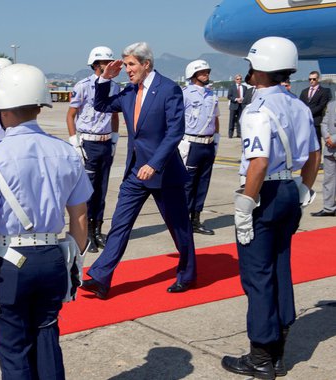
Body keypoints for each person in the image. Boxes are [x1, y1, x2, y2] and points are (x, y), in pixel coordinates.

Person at [0, 63, 92, 379]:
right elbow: (80, 216)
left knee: (14, 352)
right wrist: (75, 263)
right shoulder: (66, 153)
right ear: (39, 106)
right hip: (53, 259)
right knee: (47, 340)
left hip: (11, 264)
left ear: (1, 108)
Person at [221, 37, 320, 380]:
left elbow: (259, 163)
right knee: (280, 267)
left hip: (263, 191)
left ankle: (261, 355)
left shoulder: (256, 109)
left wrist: (246, 204)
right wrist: (304, 188)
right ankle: (278, 350)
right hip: (290, 190)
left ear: (258, 67)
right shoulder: (298, 105)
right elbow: (314, 155)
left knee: (257, 275)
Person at [80, 42, 197, 298]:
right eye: (125, 65)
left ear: (146, 64)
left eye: (131, 64)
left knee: (178, 226)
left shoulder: (169, 89)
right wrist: (103, 79)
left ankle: (187, 274)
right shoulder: (129, 92)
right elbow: (101, 105)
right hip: (135, 172)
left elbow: (175, 132)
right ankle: (101, 277)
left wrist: (154, 164)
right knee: (120, 225)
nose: (127, 69)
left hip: (164, 172)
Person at [67, 46, 120, 252]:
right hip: (87, 143)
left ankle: (98, 229)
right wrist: (75, 143)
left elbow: (115, 114)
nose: (111, 65)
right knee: (87, 190)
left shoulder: (114, 87)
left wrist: (114, 140)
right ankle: (87, 231)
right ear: (97, 65)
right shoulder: (83, 86)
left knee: (102, 188)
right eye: (107, 63)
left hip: (105, 142)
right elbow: (71, 115)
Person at [180, 60, 220, 235]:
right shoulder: (185, 94)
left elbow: (215, 119)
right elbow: (176, 118)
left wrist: (216, 139)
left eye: (207, 71)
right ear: (193, 75)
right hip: (191, 144)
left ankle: (196, 220)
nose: (206, 74)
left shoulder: (212, 95)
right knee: (188, 184)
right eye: (203, 72)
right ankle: (183, 221)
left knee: (203, 183)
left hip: (208, 144)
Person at [311, 99, 336, 217]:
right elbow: (324, 123)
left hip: (333, 142)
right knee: (328, 180)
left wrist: (334, 139)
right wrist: (327, 137)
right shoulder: (331, 104)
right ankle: (329, 208)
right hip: (330, 149)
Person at [299, 71, 332, 146]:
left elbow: (321, 106)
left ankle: (317, 158)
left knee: (316, 143)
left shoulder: (324, 92)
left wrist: (308, 112)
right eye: (310, 79)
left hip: (316, 121)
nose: (311, 81)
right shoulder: (304, 91)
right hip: (305, 121)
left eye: (314, 79)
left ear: (318, 79)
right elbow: (300, 105)